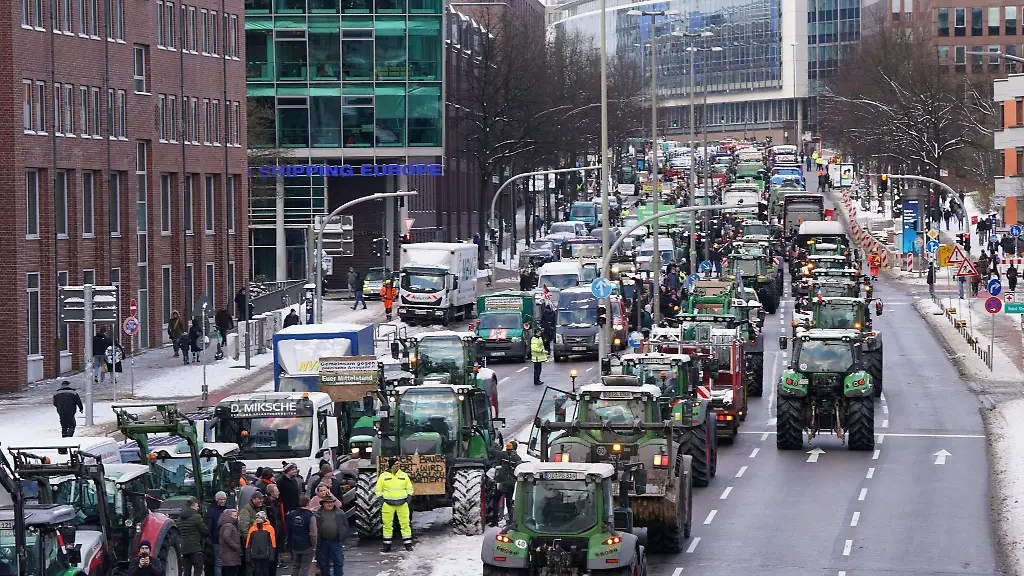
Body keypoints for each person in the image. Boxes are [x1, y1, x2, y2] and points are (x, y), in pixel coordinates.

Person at [375, 458, 413, 552]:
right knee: (387, 525)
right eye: (396, 463)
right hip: (388, 504)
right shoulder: (383, 476)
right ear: (391, 465)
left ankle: (408, 545)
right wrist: (381, 501)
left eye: (398, 463)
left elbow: (409, 488)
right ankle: (387, 546)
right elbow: (378, 489)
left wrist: (408, 499)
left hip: (402, 504)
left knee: (405, 524)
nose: (398, 465)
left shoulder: (404, 475)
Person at [314, 494, 348, 574]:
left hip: (335, 541)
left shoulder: (340, 513)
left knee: (338, 562)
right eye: (327, 503)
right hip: (322, 542)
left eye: (332, 502)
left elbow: (346, 525)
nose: (330, 504)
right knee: (324, 563)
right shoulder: (317, 514)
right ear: (323, 503)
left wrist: (342, 536)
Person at [491, 441, 521, 526]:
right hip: (511, 484)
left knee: (495, 501)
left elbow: (492, 451)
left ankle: (494, 522)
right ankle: (510, 522)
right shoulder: (517, 458)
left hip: (502, 483)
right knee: (509, 503)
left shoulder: (503, 455)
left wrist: (495, 444)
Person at [286, 496, 317, 576]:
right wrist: (314, 545)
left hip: (295, 544)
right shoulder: (311, 516)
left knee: (296, 566)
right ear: (308, 503)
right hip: (306, 545)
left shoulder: (292, 514)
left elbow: (289, 529)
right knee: (305, 567)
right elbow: (313, 534)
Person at [179, 498, 209, 576]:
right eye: (196, 506)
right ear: (192, 506)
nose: (198, 508)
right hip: (195, 548)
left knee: (186, 569)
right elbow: (205, 531)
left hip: (184, 548)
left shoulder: (179, 519)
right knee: (198, 569)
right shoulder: (196, 517)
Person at [206, 492, 229, 576]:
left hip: (228, 540)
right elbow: (209, 526)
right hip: (217, 540)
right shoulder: (211, 511)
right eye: (220, 499)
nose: (222, 501)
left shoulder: (229, 509)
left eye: (224, 499)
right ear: (217, 500)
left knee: (227, 562)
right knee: (218, 562)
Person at [264, 485, 286, 576]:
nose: (278, 493)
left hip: (278, 533)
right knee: (270, 558)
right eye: (277, 491)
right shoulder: (266, 504)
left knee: (275, 556)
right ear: (271, 493)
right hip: (270, 534)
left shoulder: (277, 502)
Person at [219, 509, 242, 576]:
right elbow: (226, 536)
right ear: (229, 516)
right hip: (230, 556)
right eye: (234, 516)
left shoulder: (227, 525)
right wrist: (236, 546)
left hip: (228, 556)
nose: (236, 518)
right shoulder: (229, 525)